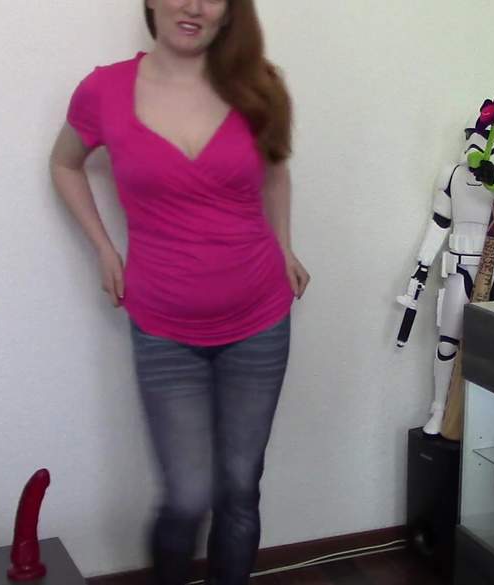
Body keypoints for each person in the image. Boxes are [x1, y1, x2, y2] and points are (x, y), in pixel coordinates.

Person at [49, 1, 309, 583]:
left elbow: (275, 171)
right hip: (164, 327)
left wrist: (284, 245)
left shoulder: (260, 86)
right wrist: (103, 248)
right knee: (187, 497)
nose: (193, 5)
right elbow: (65, 164)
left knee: (239, 488)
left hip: (260, 320)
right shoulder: (104, 90)